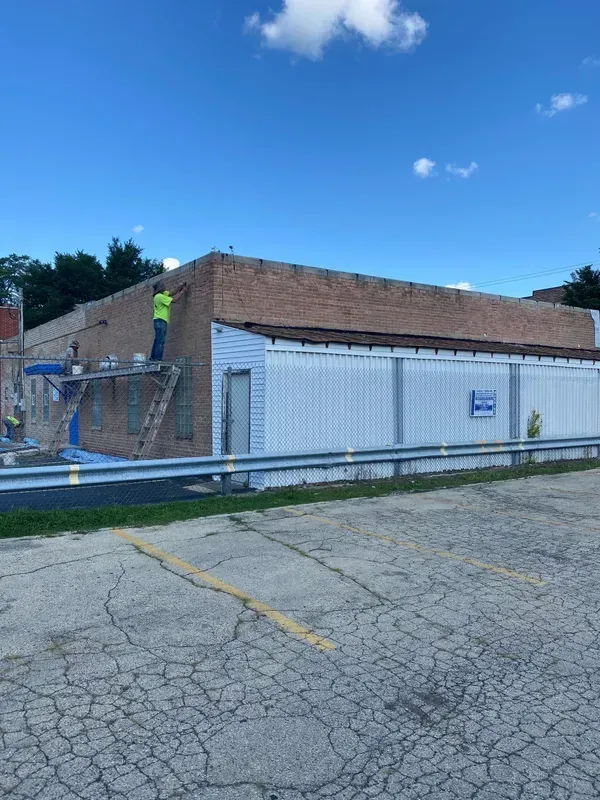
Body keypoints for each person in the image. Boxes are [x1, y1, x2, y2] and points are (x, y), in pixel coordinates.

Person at [150, 281, 187, 361]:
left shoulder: (160, 295)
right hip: (161, 320)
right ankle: (157, 359)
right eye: (163, 286)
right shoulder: (160, 296)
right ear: (161, 287)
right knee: (160, 341)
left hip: (158, 321)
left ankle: (153, 358)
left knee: (157, 340)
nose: (165, 288)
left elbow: (171, 293)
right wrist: (182, 291)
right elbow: (174, 300)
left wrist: (179, 286)